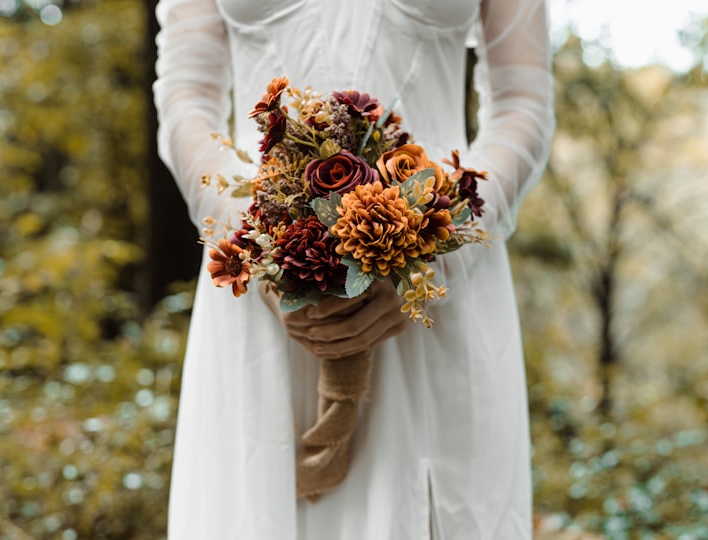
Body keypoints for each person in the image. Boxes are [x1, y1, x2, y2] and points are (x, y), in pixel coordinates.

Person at [153, 0, 555, 538]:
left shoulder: (440, 257)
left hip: (438, 284)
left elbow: (523, 101)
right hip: (260, 294)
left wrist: (437, 254)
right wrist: (259, 250)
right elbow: (186, 99)